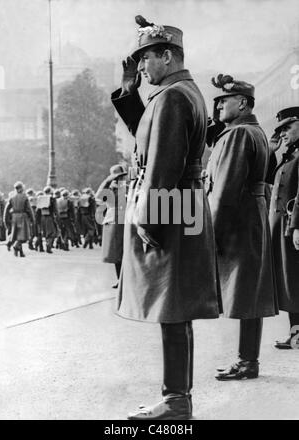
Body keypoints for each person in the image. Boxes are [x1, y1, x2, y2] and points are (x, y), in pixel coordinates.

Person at [111, 16, 220, 420]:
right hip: (182, 204)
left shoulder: (173, 97)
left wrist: (147, 217)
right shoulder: (179, 92)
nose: (140, 68)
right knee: (174, 308)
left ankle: (177, 401)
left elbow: (161, 163)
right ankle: (177, 398)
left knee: (172, 308)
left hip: (170, 206)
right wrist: (128, 93)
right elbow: (150, 136)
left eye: (145, 59)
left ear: (168, 56)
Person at [206, 74, 278, 380]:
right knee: (252, 291)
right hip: (254, 215)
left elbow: (223, 188)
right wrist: (218, 115)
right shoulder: (255, 132)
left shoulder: (237, 136)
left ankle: (247, 361)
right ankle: (248, 360)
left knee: (246, 291)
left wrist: (213, 232)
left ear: (244, 104)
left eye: (225, 100)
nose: (219, 105)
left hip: (237, 219)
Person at [267, 107, 299, 349]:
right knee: (290, 281)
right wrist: (271, 151)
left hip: (293, 228)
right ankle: (295, 331)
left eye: (287, 128)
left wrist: (297, 225)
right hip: (283, 230)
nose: (283, 133)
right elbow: (268, 181)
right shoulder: (289, 155)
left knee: (295, 280)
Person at [95, 164, 127, 288]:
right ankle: (120, 279)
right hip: (113, 220)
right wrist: (107, 181)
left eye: (121, 176)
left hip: (126, 220)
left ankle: (124, 279)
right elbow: (98, 197)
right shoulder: (109, 189)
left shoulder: (128, 187)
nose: (119, 179)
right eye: (117, 177)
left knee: (125, 251)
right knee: (115, 253)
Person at [3, 181, 34, 257]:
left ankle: (20, 252)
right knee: (23, 236)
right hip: (23, 217)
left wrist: (6, 220)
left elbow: (6, 210)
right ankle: (16, 246)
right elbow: (29, 209)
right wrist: (32, 219)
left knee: (17, 235)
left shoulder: (12, 197)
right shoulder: (25, 197)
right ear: (21, 188)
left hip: (14, 217)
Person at [36, 186, 58, 254]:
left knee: (45, 232)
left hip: (42, 217)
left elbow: (38, 210)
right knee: (51, 232)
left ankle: (44, 245)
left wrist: (38, 219)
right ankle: (48, 245)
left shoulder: (40, 198)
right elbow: (55, 209)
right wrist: (57, 217)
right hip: (49, 217)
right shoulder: (52, 199)